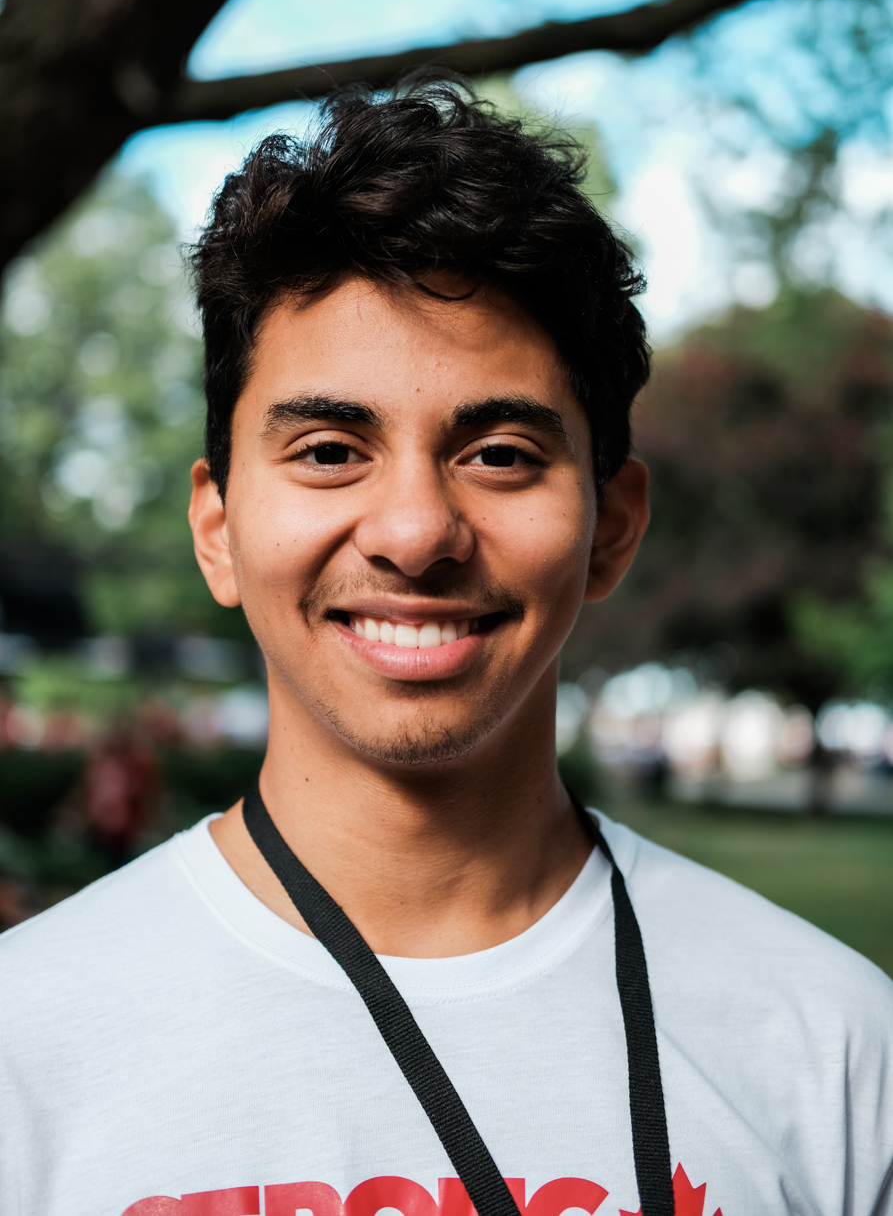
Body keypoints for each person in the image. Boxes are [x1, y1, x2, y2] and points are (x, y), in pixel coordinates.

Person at [1, 78, 891, 1216]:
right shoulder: (25, 1051)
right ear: (217, 529)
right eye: (329, 451)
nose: (416, 532)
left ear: (611, 527)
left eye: (500, 454)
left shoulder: (834, 1051)